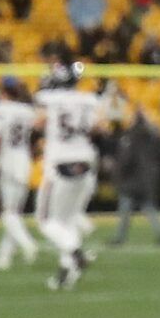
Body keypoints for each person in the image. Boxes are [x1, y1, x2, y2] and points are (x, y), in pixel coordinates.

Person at [34, 63, 99, 291]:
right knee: (68, 220)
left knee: (45, 221)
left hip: (60, 163)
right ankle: (67, 271)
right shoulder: (88, 100)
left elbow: (38, 122)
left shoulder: (49, 98)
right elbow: (99, 127)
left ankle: (75, 252)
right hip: (86, 163)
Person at [0, 77, 40, 270]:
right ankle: (4, 257)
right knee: (14, 212)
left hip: (7, 161)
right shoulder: (27, 110)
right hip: (24, 161)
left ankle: (28, 244)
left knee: (7, 213)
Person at [110, 106, 160, 246]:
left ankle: (120, 237)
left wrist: (118, 174)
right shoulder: (152, 135)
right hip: (148, 179)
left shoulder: (130, 137)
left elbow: (126, 159)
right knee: (150, 208)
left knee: (125, 211)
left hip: (131, 180)